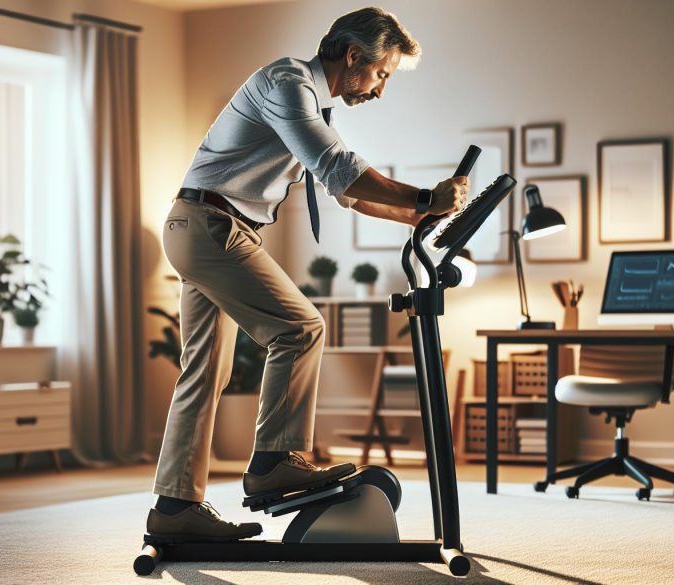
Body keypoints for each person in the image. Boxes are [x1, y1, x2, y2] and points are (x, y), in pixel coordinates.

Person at [146, 6, 468, 542]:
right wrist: (422, 196)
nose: (380, 89)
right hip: (212, 225)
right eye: (382, 73)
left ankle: (174, 508)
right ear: (352, 56)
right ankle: (275, 461)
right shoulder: (286, 82)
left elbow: (344, 192)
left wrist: (417, 215)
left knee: (204, 371)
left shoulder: (310, 102)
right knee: (301, 328)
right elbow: (339, 166)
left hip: (200, 225)